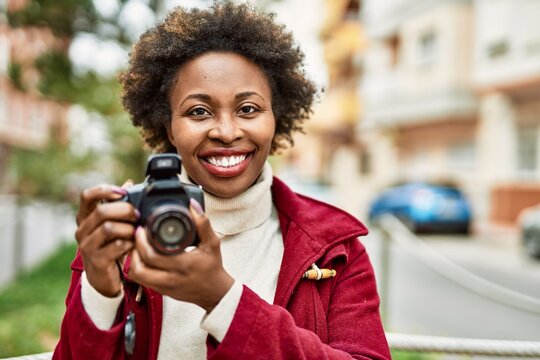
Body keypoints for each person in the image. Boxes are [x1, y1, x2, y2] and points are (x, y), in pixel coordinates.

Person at [53, 2, 391, 359]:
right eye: (199, 111)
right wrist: (100, 293)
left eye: (248, 109)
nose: (226, 132)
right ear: (168, 125)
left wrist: (224, 300)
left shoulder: (335, 247)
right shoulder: (120, 232)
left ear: (276, 117)